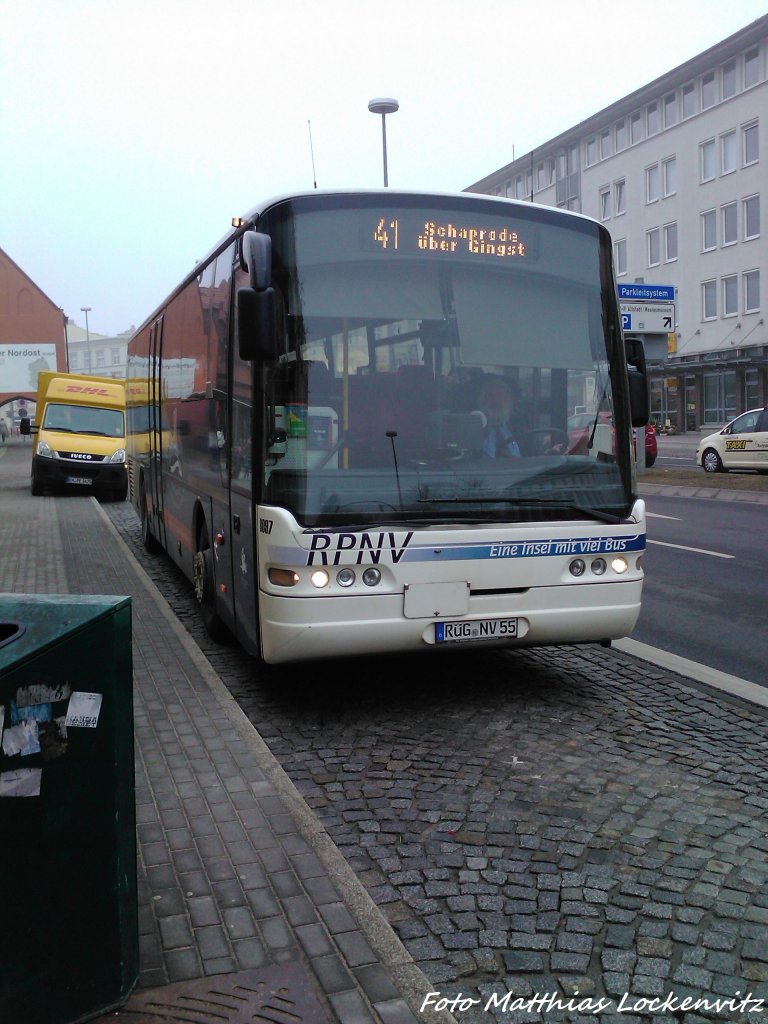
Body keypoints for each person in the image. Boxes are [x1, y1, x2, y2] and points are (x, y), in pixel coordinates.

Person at [475, 375, 522, 458]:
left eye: (500, 395)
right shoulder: (474, 425)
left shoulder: (520, 424)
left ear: (508, 399)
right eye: (490, 396)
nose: (495, 400)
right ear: (483, 400)